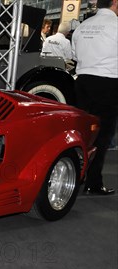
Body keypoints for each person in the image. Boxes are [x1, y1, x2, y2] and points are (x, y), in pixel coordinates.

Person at [71, 0, 118, 195]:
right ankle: (94, 182)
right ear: (115, 2)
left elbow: (74, 55)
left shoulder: (82, 26)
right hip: (108, 83)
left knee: (82, 133)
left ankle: (76, 177)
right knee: (103, 135)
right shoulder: (115, 26)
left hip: (82, 82)